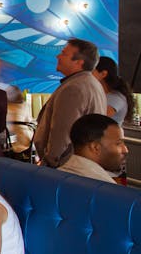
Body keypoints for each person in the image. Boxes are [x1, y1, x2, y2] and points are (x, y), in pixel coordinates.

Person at [33, 38, 107, 167]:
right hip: (81, 164)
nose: (58, 56)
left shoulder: (74, 88)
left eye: (63, 53)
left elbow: (62, 133)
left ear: (79, 62)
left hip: (66, 165)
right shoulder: (91, 83)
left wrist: (50, 162)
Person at [58, 113, 128, 183]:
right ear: (95, 147)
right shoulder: (106, 187)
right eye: (118, 143)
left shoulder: (58, 174)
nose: (125, 150)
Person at [92, 56, 135, 125]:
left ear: (103, 74)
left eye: (91, 72)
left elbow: (97, 120)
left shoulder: (115, 98)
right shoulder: (102, 93)